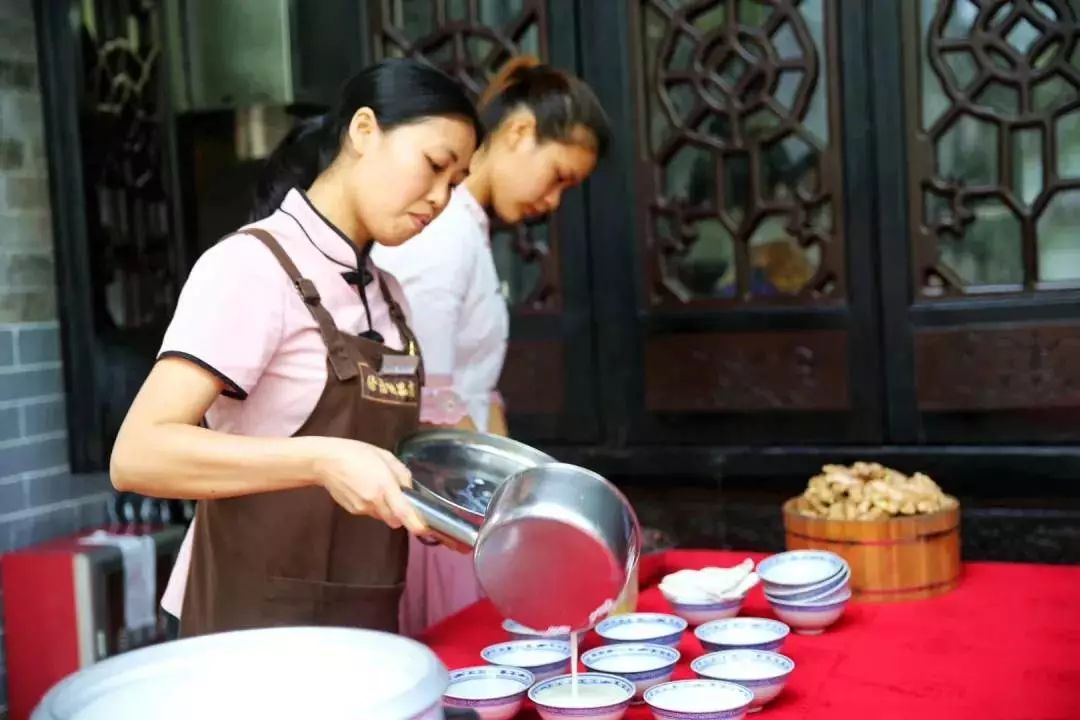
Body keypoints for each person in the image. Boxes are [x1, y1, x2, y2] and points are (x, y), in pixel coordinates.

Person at [110, 58, 482, 638]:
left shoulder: (390, 295)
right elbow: (137, 455)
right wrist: (321, 459)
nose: (439, 199)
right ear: (364, 130)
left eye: (455, 184)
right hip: (250, 628)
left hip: (365, 625)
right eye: (433, 165)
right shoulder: (254, 266)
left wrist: (442, 501)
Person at [372, 56, 610, 636]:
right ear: (520, 131)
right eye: (558, 176)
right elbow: (419, 387)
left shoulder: (466, 227)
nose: (554, 201)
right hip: (438, 491)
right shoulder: (444, 230)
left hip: (460, 482)